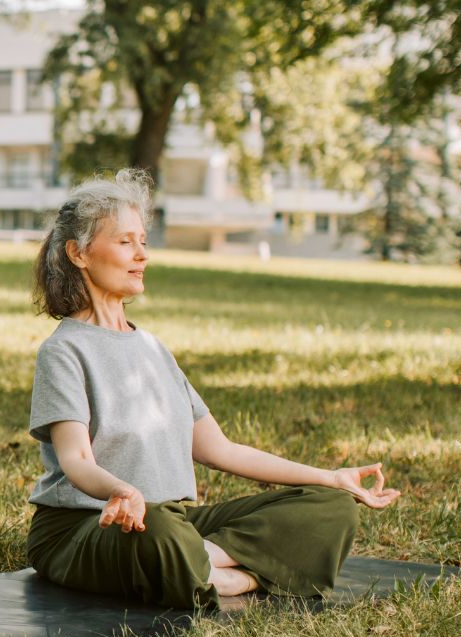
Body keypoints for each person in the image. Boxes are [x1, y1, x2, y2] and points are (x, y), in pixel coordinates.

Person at [26, 170, 400, 610]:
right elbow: (76, 461)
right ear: (79, 253)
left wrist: (330, 477)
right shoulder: (64, 351)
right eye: (125, 242)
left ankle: (206, 569)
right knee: (160, 534)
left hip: (172, 522)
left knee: (332, 508)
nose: (141, 254)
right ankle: (242, 575)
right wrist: (122, 492)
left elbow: (221, 450)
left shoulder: (152, 348)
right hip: (86, 528)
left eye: (143, 241)